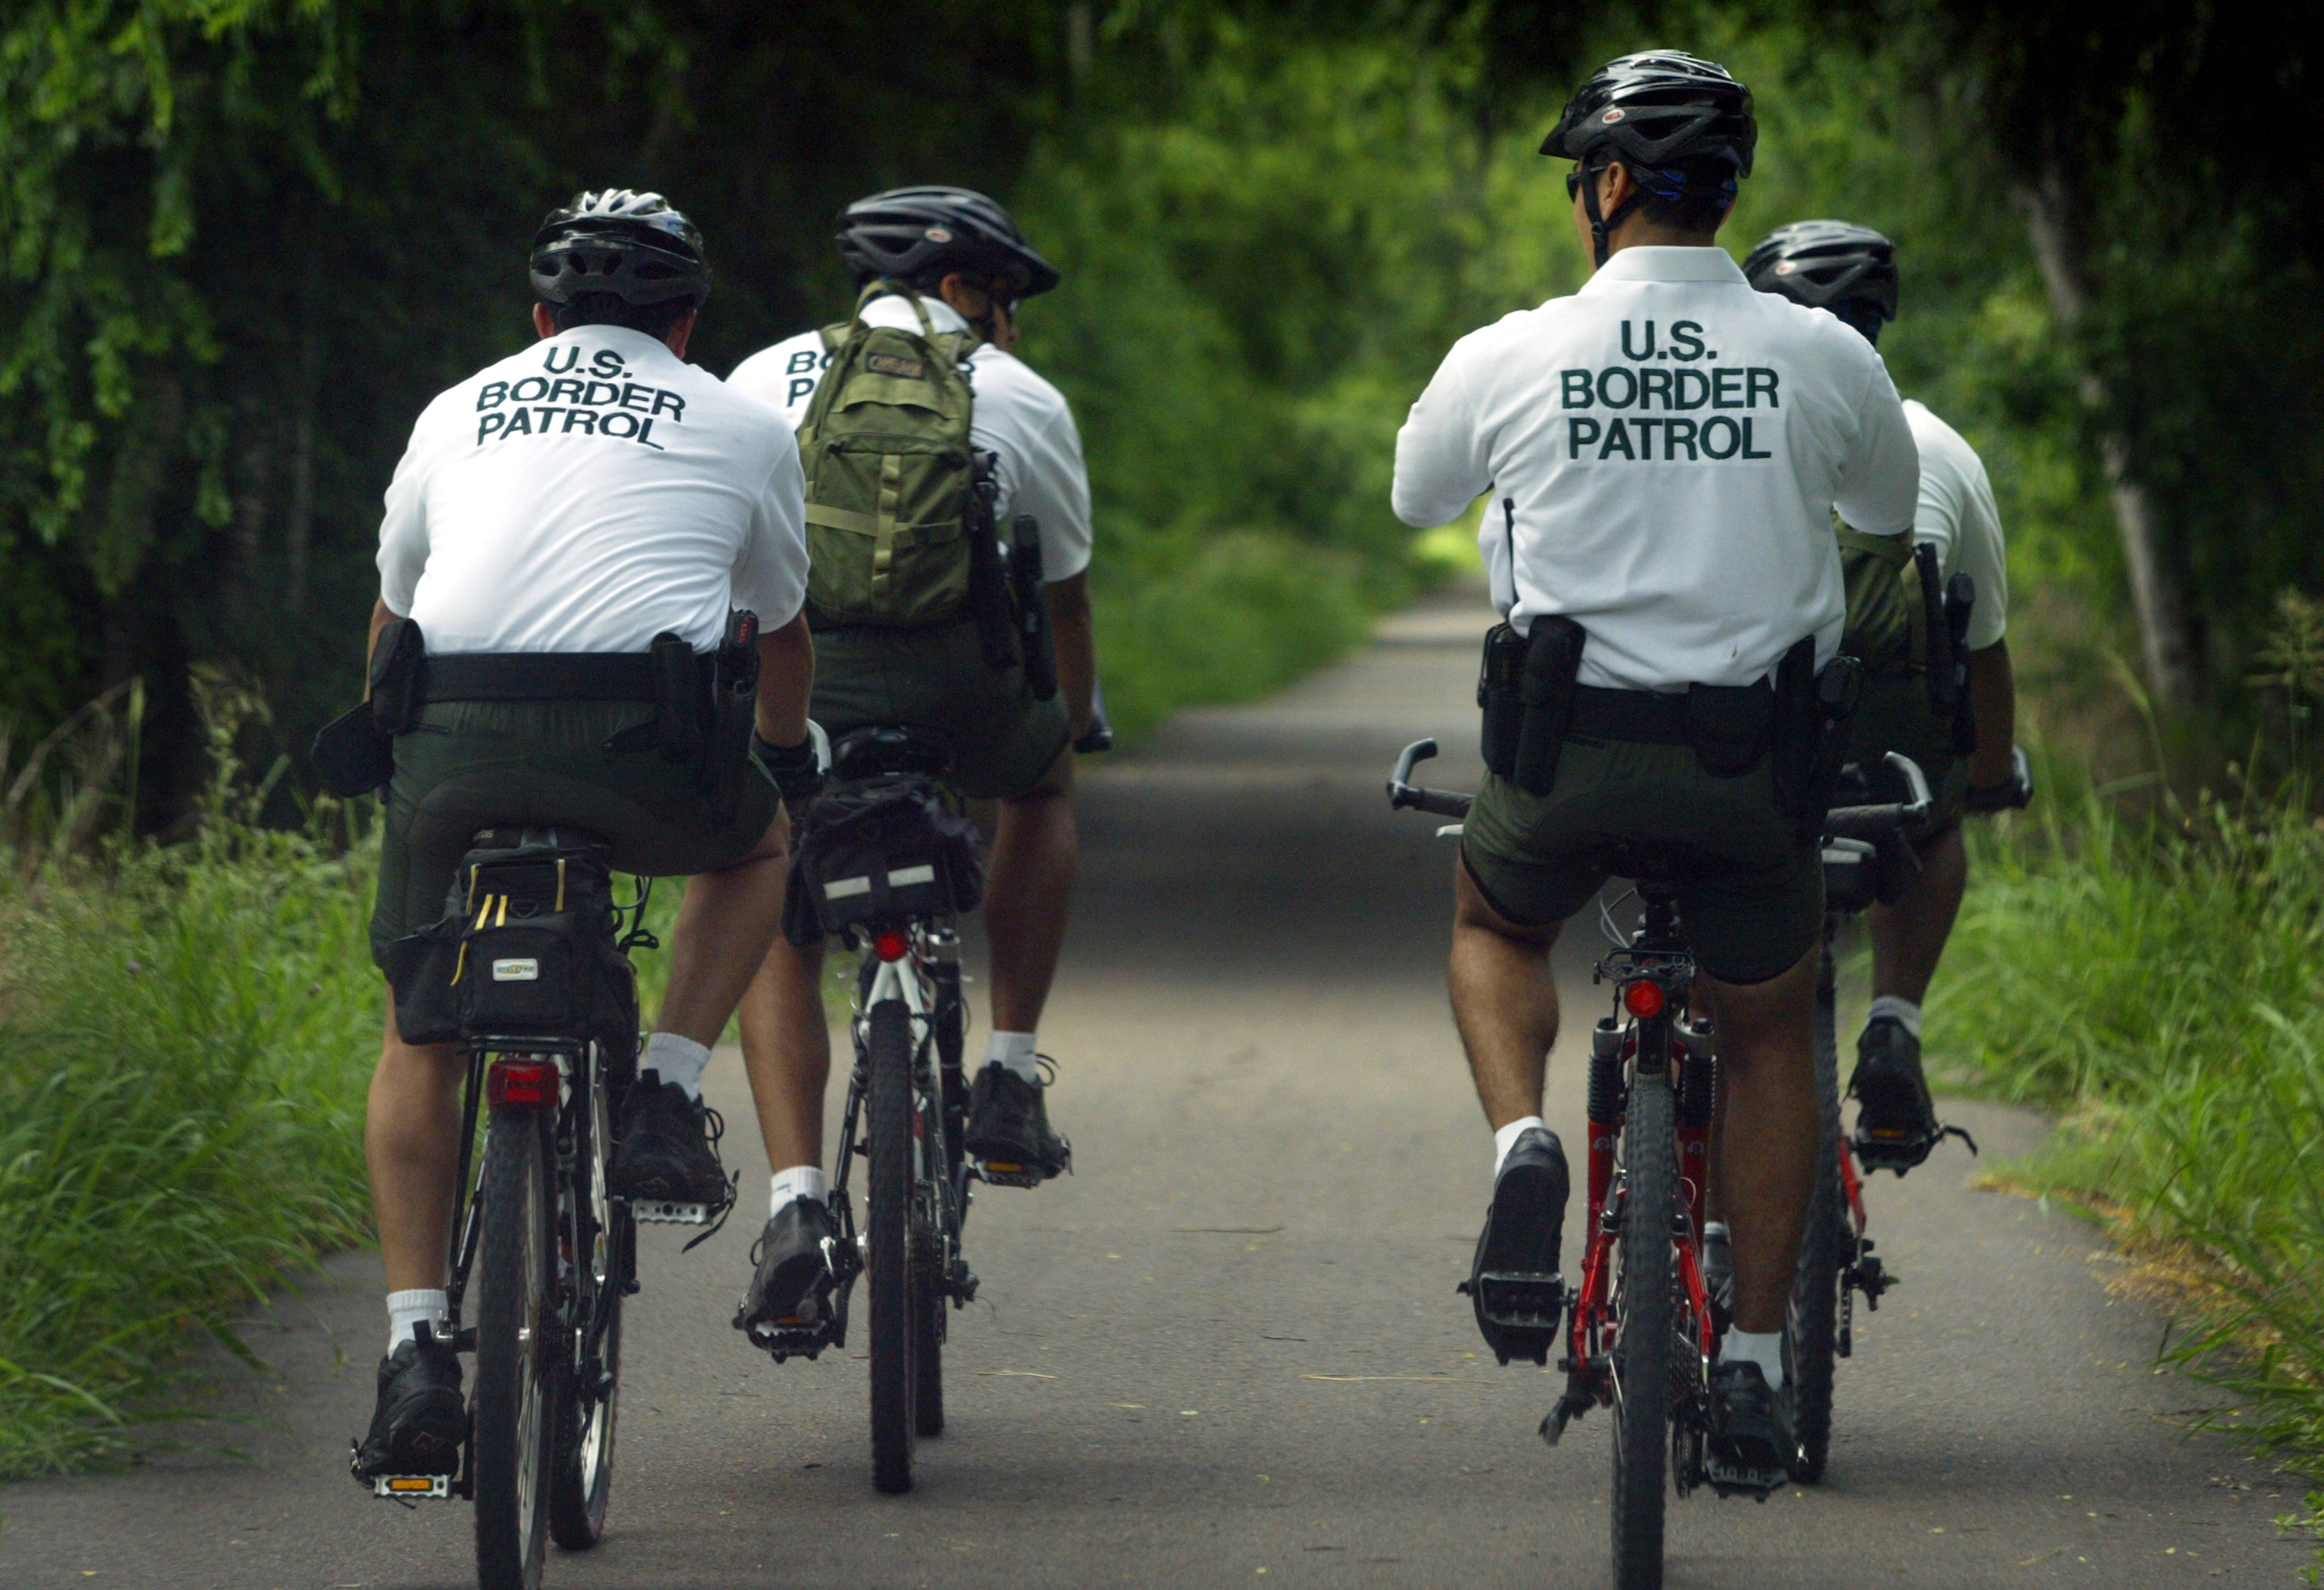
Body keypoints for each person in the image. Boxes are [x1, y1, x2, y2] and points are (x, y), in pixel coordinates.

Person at [1390, 53, 1920, 1483]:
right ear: (1726, 192)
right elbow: (1882, 503)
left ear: (1607, 187)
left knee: (1495, 923)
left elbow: (1416, 494)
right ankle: (1750, 1363)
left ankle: (1520, 1147)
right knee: (1763, 1025)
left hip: (1562, 758)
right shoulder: (1821, 353)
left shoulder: (1510, 350)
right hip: (1752, 774)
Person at [350, 189, 823, 1480]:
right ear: (684, 322)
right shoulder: (736, 416)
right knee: (755, 845)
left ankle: (413, 1352)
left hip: (452, 749)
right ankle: (665, 1086)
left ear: (539, 317)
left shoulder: (458, 406)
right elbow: (777, 628)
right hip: (642, 755)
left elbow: (391, 625)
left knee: (416, 1024)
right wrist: (781, 756)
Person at [724, 186, 1099, 1334]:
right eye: (1002, 301)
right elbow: (1063, 596)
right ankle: (1008, 1075)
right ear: (956, 290)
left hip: (805, 684)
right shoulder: (1022, 396)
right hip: (962, 689)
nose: (1012, 329)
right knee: (1041, 794)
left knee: (774, 884)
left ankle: (793, 1200)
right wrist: (1072, 720)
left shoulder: (758, 379)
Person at [1744, 219, 2028, 1171]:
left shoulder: (1727, 435)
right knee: (1937, 822)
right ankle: (1895, 1020)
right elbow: (1980, 644)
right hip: (1883, 768)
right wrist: (1985, 778)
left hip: (1741, 754)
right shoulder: (1936, 446)